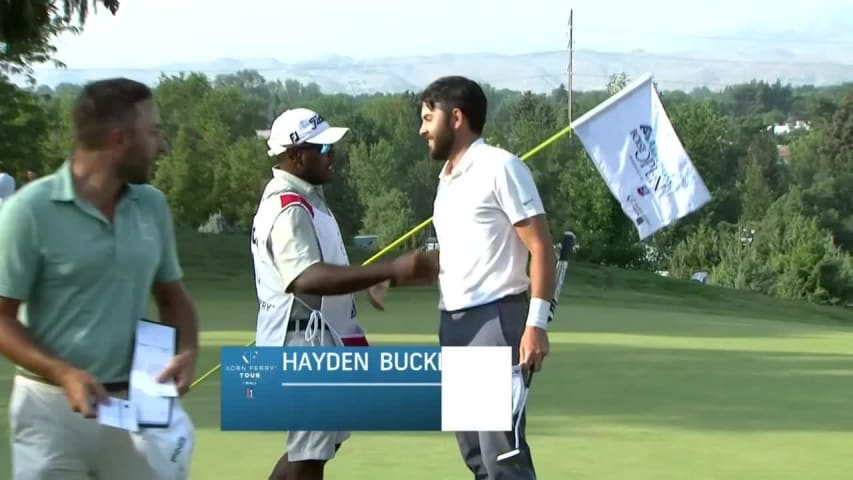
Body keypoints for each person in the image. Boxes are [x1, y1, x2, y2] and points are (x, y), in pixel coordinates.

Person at [0, 77, 199, 480]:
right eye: (154, 132)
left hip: (137, 408)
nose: (161, 145)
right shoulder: (29, 211)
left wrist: (187, 348)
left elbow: (172, 296)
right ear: (118, 139)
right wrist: (63, 372)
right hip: (49, 410)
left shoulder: (152, 206)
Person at [251, 107, 436, 480]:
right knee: (309, 457)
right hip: (301, 345)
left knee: (314, 449)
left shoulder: (305, 201)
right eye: (322, 149)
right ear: (296, 154)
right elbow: (307, 277)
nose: (331, 155)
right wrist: (389, 269)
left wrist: (370, 279)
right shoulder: (287, 209)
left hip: (319, 339)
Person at [418, 75, 556, 479]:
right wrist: (390, 276)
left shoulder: (500, 166)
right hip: (455, 323)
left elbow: (541, 246)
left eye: (429, 118)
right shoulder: (446, 180)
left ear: (456, 117)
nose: (422, 128)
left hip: (495, 321)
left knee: (502, 456)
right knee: (476, 455)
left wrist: (536, 325)